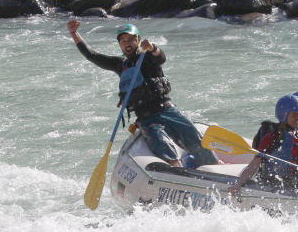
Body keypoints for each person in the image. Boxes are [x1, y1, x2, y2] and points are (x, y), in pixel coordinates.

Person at [67, 20, 217, 168]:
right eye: (123, 40)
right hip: (147, 119)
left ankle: (217, 168)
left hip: (168, 110)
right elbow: (92, 55)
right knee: (164, 147)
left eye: (131, 39)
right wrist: (74, 33)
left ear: (138, 40)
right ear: (120, 44)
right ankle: (178, 172)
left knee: (198, 142)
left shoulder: (148, 57)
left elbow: (160, 57)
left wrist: (152, 48)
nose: (127, 43)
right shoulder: (120, 65)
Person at [229, 94, 298, 195]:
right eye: (293, 115)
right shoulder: (273, 136)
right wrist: (238, 184)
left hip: (295, 183)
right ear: (283, 116)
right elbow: (255, 163)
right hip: (273, 182)